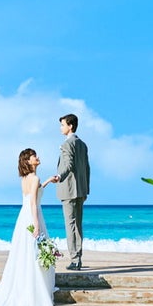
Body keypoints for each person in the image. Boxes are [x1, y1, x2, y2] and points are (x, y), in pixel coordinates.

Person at [0, 147, 57, 306]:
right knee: (34, 255)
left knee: (25, 255)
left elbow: (35, 193)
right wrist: (36, 224)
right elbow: (34, 202)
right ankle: (34, 296)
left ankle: (26, 289)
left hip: (23, 217)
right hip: (32, 216)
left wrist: (48, 181)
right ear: (28, 160)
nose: (37, 157)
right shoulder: (34, 178)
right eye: (34, 156)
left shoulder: (26, 178)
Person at [47, 113, 90, 270]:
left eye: (62, 125)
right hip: (80, 190)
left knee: (70, 225)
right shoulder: (83, 144)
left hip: (69, 190)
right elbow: (86, 169)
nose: (61, 128)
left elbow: (69, 165)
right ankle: (78, 258)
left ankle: (74, 259)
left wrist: (59, 176)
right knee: (78, 225)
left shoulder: (67, 144)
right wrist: (86, 189)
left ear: (70, 126)